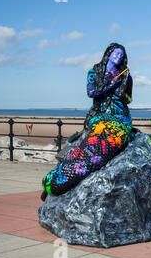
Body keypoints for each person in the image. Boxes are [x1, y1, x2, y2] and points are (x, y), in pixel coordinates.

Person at [42, 43, 134, 196]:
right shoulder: (95, 71)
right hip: (99, 114)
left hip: (120, 117)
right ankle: (55, 180)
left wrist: (123, 86)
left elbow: (128, 99)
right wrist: (113, 83)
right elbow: (92, 92)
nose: (118, 57)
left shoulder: (125, 74)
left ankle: (57, 181)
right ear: (108, 54)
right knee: (92, 143)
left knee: (108, 144)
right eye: (115, 54)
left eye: (121, 55)